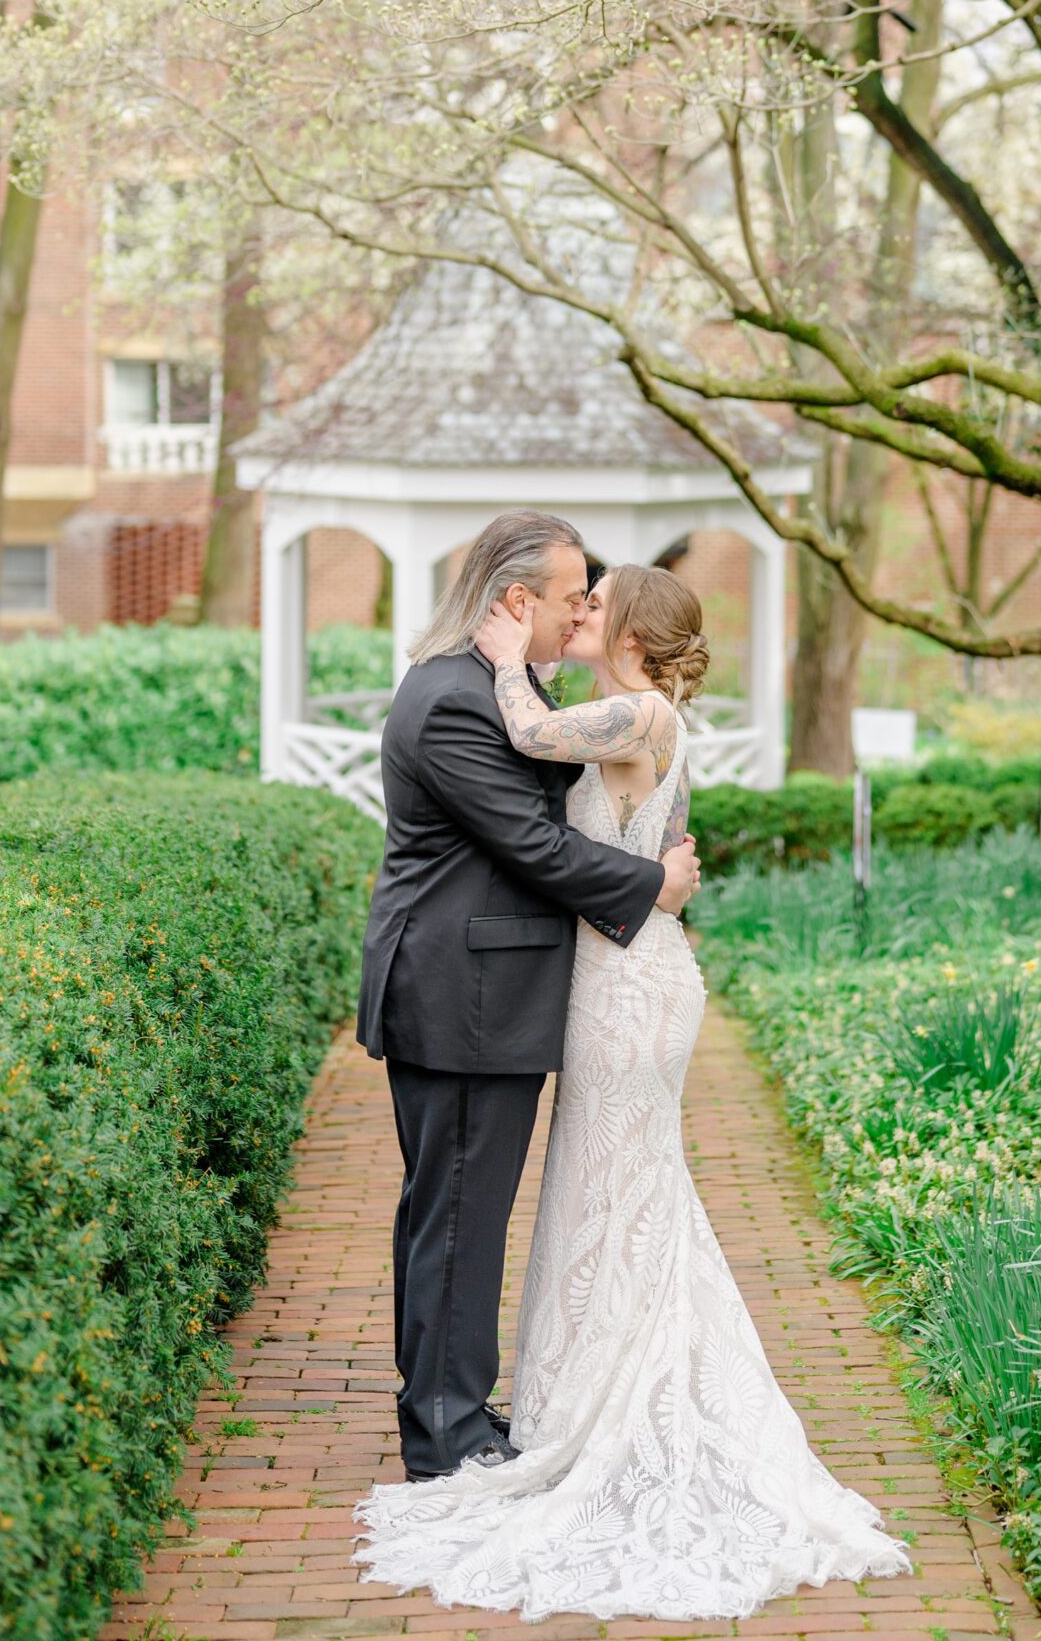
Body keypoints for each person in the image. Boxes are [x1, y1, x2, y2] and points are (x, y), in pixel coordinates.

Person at [356, 562, 908, 1621]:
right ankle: (582, 1391)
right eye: (575, 594)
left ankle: (613, 1400)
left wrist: (510, 659)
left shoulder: (634, 709)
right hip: (617, 970)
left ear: (633, 630)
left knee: (620, 1187)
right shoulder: (627, 710)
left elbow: (520, 734)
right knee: (605, 1187)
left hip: (629, 985)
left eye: (594, 602)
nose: (580, 610)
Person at [357, 511, 701, 1485]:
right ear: (515, 599)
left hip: (480, 990)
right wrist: (651, 887)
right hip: (460, 996)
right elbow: (531, 843)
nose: (571, 615)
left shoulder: (493, 687)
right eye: (563, 598)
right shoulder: (458, 698)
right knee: (458, 1214)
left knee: (453, 1211)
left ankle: (451, 1403)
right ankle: (447, 1430)